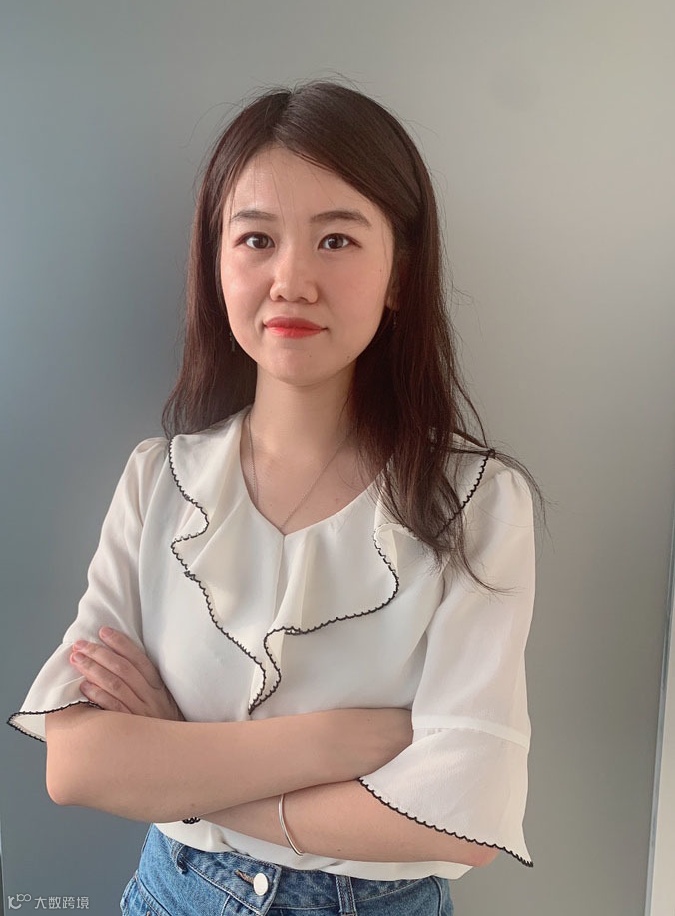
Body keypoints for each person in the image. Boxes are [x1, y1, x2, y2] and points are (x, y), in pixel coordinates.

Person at [8, 81, 537, 915]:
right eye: (256, 238)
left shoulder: (477, 502)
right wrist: (332, 741)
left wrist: (177, 759)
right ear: (217, 263)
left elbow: (462, 814)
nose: (291, 280)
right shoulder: (158, 479)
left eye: (336, 239)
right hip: (172, 893)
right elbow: (76, 765)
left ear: (399, 273)